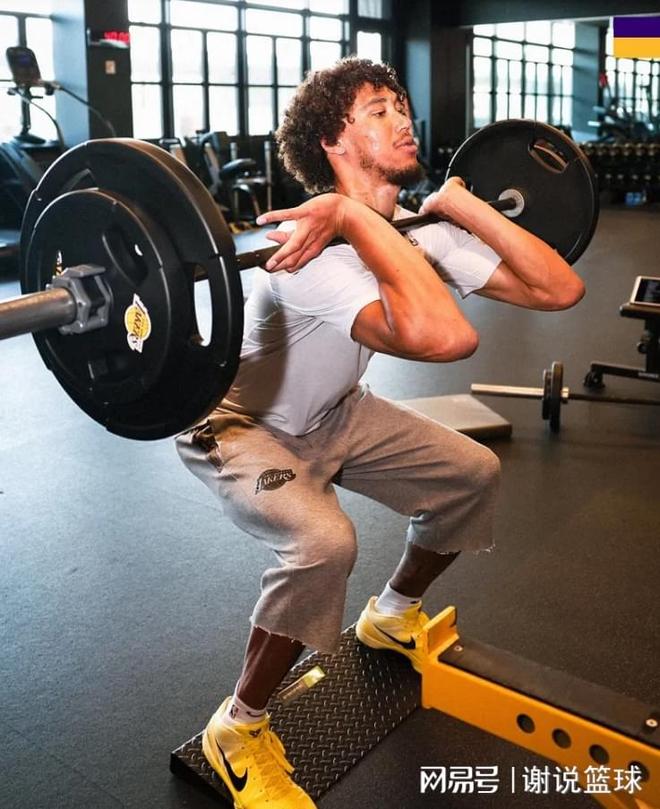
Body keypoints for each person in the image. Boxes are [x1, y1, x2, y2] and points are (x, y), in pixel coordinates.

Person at [175, 57, 584, 809]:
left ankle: (391, 614)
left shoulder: (419, 230)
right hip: (240, 425)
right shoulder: (305, 252)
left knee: (471, 475)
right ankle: (236, 727)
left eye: (401, 105)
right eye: (377, 111)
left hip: (336, 411)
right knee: (325, 543)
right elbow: (446, 338)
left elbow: (560, 288)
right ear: (333, 143)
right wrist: (350, 216)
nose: (404, 120)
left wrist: (464, 206)